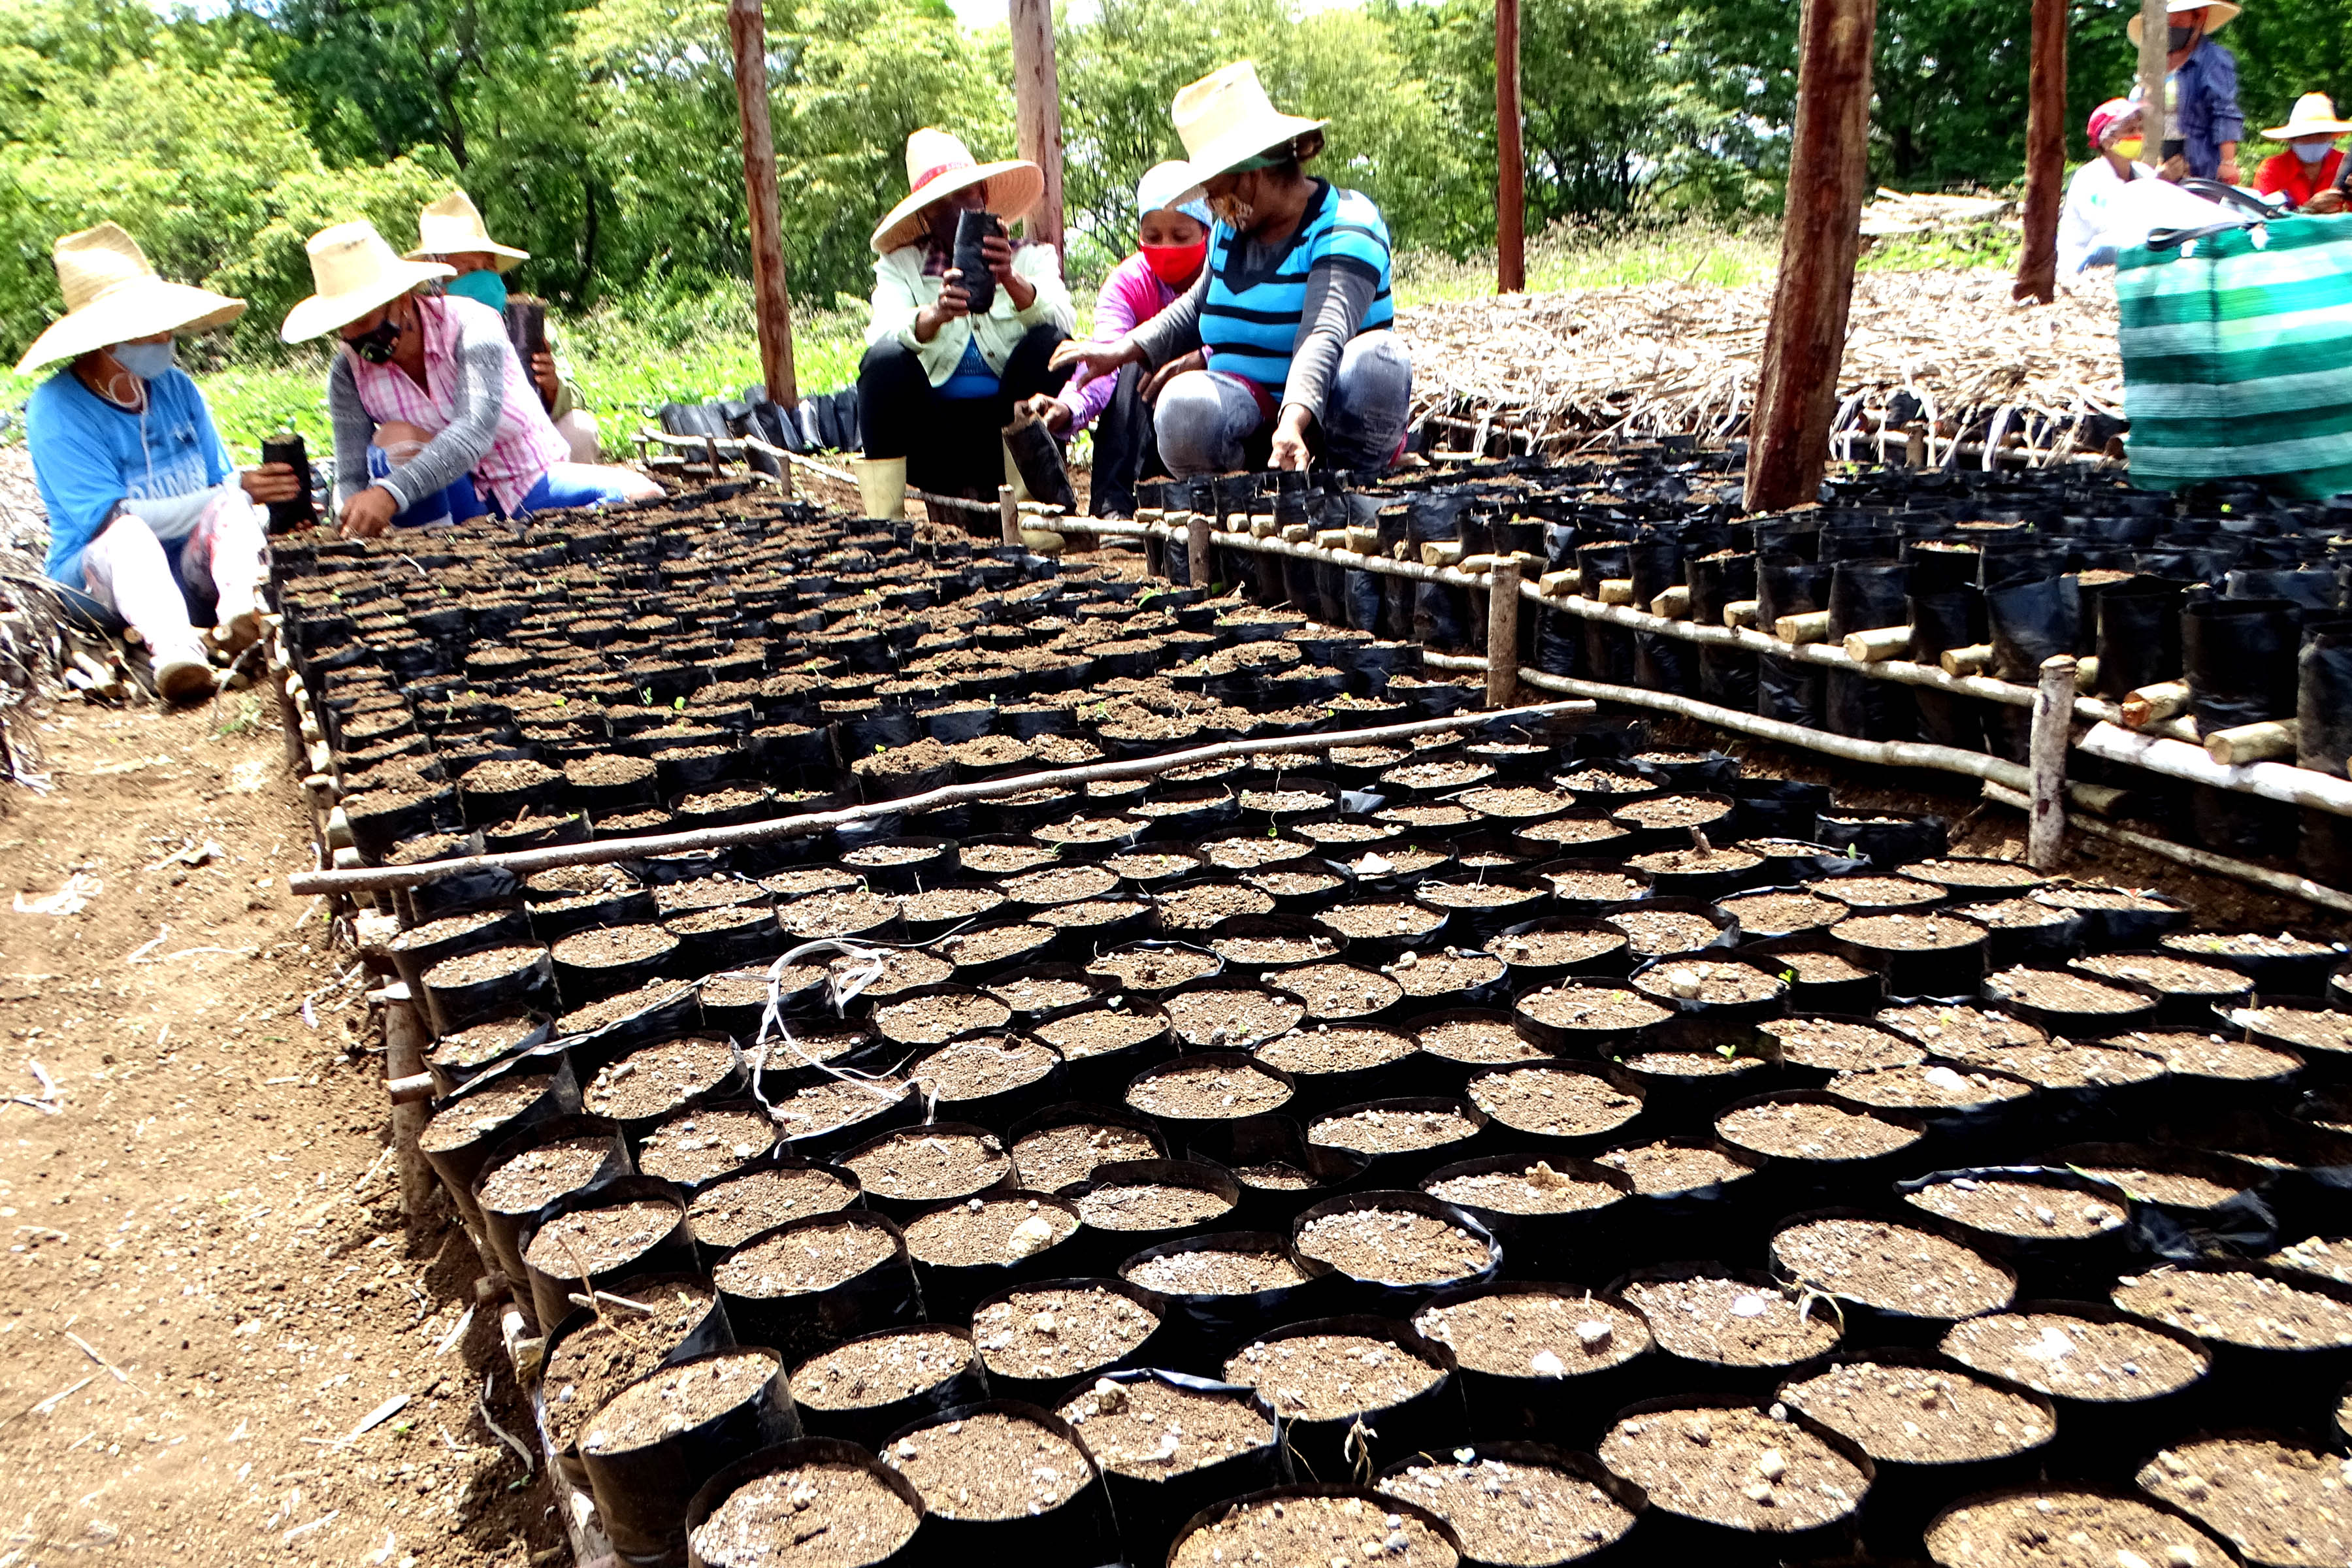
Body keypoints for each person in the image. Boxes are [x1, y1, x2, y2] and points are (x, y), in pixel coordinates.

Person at [1051, 62, 1411, 478]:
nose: (1210, 204)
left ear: (1250, 177)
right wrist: (1119, 351)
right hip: (1254, 419)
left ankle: (1353, 488)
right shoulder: (1229, 231)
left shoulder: (1347, 224)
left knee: (1377, 360)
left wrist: (1293, 421)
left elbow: (1323, 333)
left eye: (1214, 190)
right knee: (1183, 408)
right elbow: (1197, 305)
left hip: (1333, 418)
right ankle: (1243, 493)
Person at [19, 223, 300, 704]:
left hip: (189, 568)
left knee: (233, 510)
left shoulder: (177, 389)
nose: (166, 337)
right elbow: (112, 520)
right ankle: (176, 652)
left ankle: (241, 616)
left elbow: (221, 496)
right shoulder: (58, 409)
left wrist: (243, 496)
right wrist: (233, 490)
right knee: (130, 536)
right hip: (98, 581)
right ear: (108, 337)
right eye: (151, 327)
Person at [280, 220, 658, 538]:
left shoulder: (472, 324)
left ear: (402, 298)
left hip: (526, 480)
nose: (352, 335)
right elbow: (351, 472)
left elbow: (475, 431)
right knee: (395, 439)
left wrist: (390, 494)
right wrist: (350, 513)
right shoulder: (347, 371)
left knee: (644, 495)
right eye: (343, 326)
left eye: (363, 319)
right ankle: (442, 550)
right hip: (448, 499)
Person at [858, 129, 1076, 503]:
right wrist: (934, 315)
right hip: (935, 441)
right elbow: (881, 333)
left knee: (1049, 345)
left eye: (964, 196)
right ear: (925, 216)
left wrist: (1010, 278)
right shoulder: (902, 266)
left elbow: (1063, 324)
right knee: (883, 362)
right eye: (940, 204)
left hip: (1008, 438)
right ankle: (885, 521)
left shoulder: (1031, 258)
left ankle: (1034, 507)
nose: (955, 212)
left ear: (984, 197)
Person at [1015, 163, 1212, 517]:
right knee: (1133, 360)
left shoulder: (1225, 277)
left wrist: (1199, 358)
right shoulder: (1128, 283)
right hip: (1141, 419)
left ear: (1208, 233)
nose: (1166, 246)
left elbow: (1242, 346)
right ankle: (1112, 506)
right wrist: (1070, 406)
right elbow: (1103, 360)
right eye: (1153, 237)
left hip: (1208, 415)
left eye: (1180, 236)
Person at [406, 189, 604, 464]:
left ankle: (560, 499)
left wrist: (552, 386)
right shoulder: (418, 334)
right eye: (469, 271)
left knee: (580, 427)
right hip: (457, 455)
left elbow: (576, 397)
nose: (484, 278)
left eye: (488, 267)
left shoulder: (526, 325)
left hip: (528, 446)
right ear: (438, 280)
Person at [2129, 0, 2244, 184]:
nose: (2171, 21)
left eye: (2179, 16)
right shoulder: (2153, 62)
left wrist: (2228, 163)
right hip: (2151, 163)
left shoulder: (2213, 59)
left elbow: (2225, 112)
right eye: (2167, 17)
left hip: (2197, 164)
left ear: (2200, 17)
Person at [2060, 99, 2153, 274]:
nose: (2138, 135)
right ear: (2107, 141)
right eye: (2130, 131)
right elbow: (2111, 225)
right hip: (2081, 262)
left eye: (2140, 129)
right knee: (2109, 245)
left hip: (2126, 257)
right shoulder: (2088, 179)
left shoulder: (2145, 172)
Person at [2253, 93, 2349, 212]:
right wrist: (2309, 209)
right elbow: (2264, 217)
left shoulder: (2346, 165)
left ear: (2332, 137)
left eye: (2321, 134)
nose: (2314, 140)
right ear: (2292, 139)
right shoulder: (2272, 169)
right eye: (2306, 135)